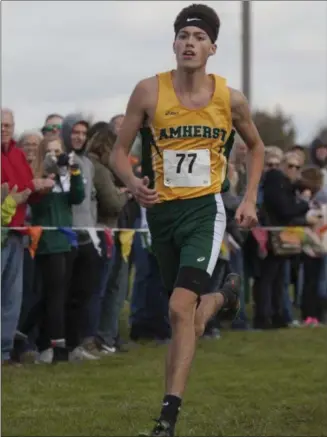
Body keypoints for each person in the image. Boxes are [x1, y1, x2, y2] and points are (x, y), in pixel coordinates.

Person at [110, 4, 265, 436]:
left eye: (198, 37)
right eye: (183, 37)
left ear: (212, 48)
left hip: (205, 210)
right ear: (174, 44)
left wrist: (248, 199)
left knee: (179, 308)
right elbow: (118, 153)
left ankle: (167, 419)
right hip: (160, 213)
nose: (190, 43)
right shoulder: (148, 92)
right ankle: (222, 299)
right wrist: (133, 182)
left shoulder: (230, 99)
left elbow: (256, 148)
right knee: (187, 316)